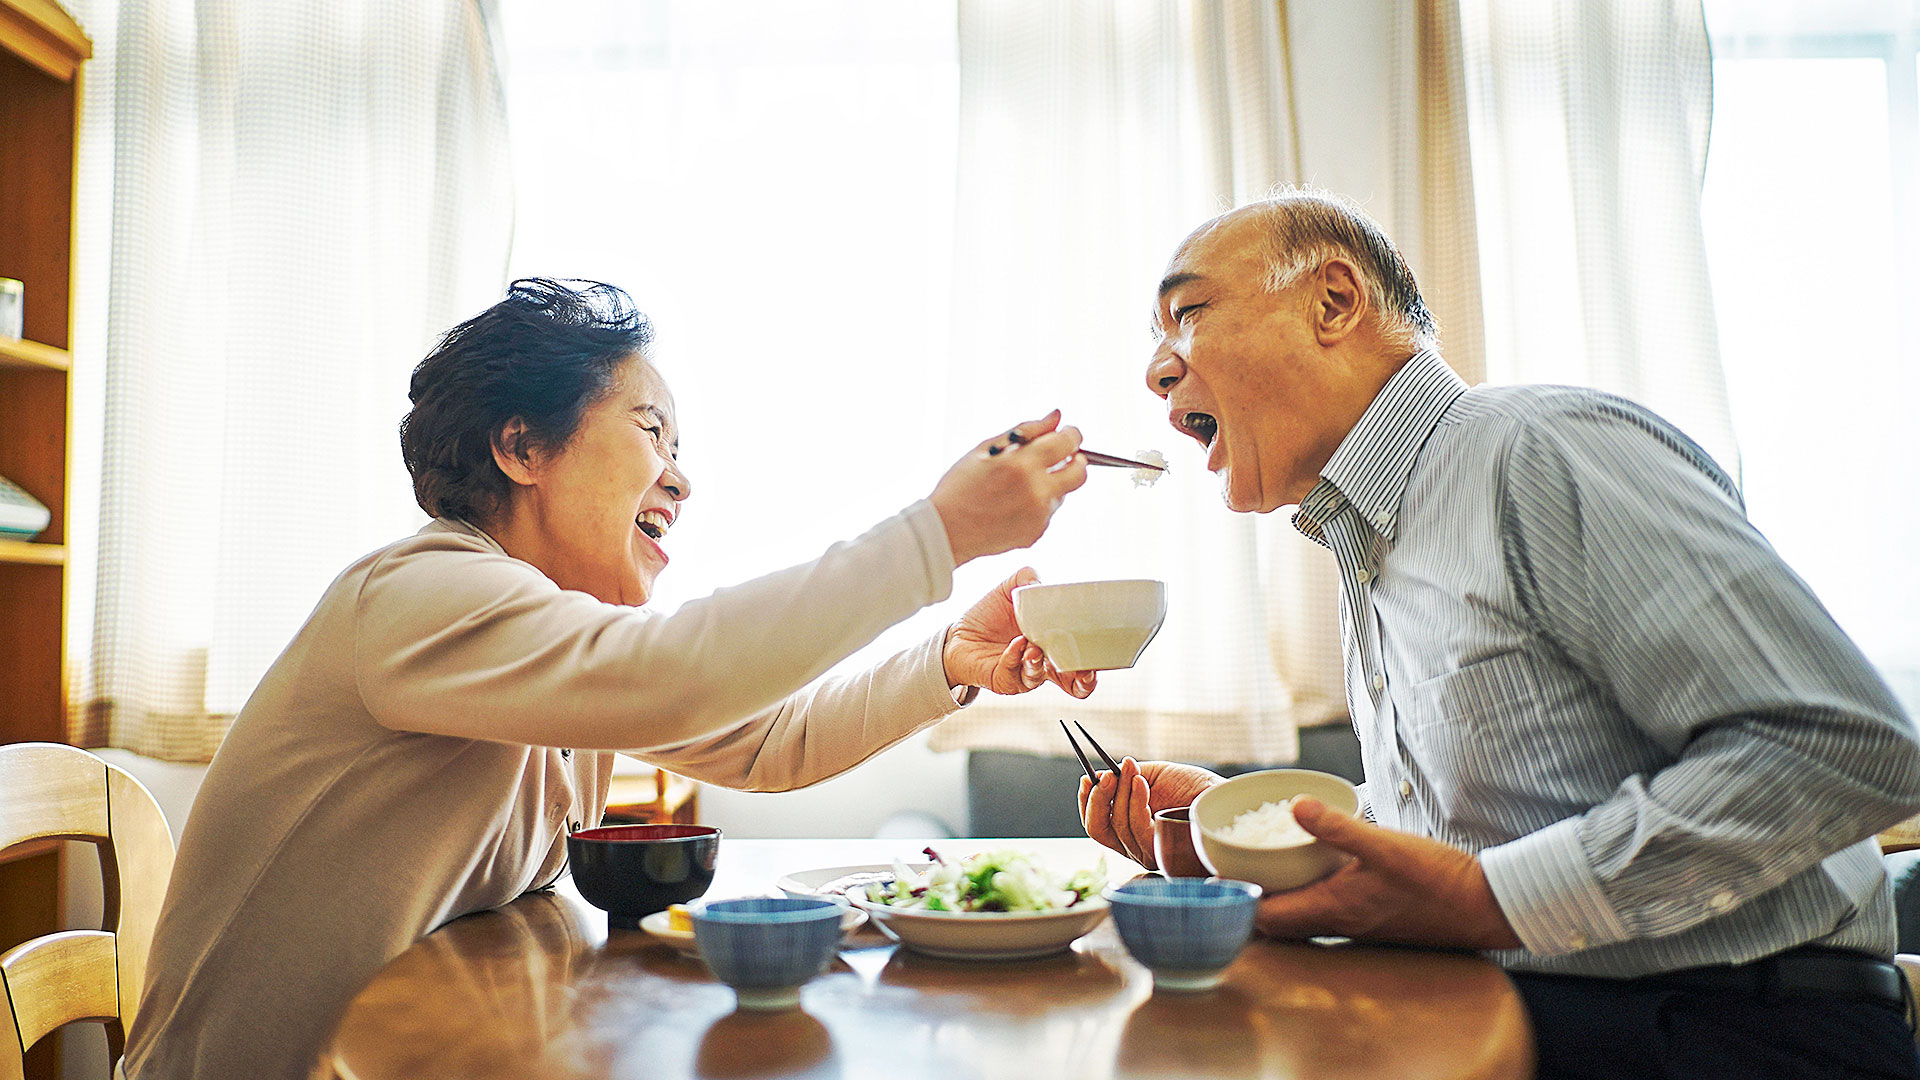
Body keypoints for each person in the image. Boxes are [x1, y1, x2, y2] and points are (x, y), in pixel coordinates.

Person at [123, 278, 1097, 1080]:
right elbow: (674, 678)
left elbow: (769, 743)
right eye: (651, 434)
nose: (679, 480)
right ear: (522, 447)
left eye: (680, 451)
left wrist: (945, 663)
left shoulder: (543, 638)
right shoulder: (421, 592)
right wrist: (941, 534)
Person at [1078, 190, 1920, 1078]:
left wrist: (1487, 902)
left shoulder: (1539, 450)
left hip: (1734, 1031)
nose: (1156, 373)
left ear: (1334, 301)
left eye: (1189, 314)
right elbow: (1480, 832)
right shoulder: (1369, 537)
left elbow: (1844, 747)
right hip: (1552, 1010)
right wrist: (1245, 824)